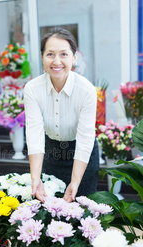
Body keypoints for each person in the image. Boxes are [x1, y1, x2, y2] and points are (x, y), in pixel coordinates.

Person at [24, 27, 99, 203]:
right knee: (50, 213)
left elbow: (85, 138)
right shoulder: (32, 89)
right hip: (51, 153)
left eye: (64, 54)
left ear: (74, 57)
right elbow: (34, 133)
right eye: (50, 54)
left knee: (82, 216)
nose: (57, 61)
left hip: (82, 157)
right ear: (42, 57)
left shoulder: (86, 90)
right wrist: (35, 178)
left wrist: (75, 181)